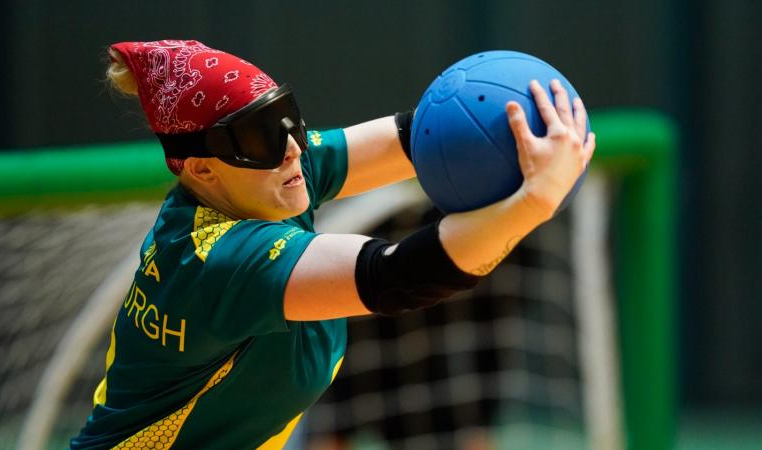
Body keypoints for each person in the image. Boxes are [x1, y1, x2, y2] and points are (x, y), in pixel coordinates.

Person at [70, 39, 594, 450]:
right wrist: (535, 203)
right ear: (201, 168)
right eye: (258, 137)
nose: (293, 149)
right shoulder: (221, 259)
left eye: (287, 117)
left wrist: (499, 107)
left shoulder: (263, 182)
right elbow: (401, 275)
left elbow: (416, 135)